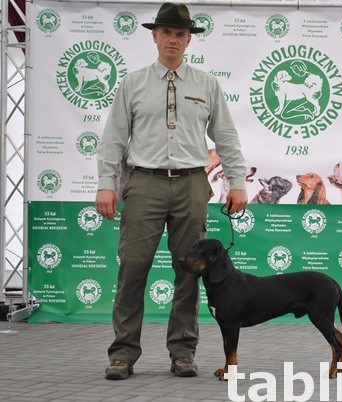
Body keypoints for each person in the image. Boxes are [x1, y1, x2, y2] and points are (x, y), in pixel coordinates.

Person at [95, 2, 248, 380]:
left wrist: (238, 181)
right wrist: (104, 184)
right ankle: (123, 354)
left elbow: (225, 136)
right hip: (144, 182)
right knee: (132, 269)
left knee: (191, 273)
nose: (173, 40)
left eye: (180, 34)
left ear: (188, 39)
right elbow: (113, 139)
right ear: (155, 36)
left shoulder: (207, 84)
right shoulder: (132, 83)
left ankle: (183, 351)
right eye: (166, 33)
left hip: (193, 184)